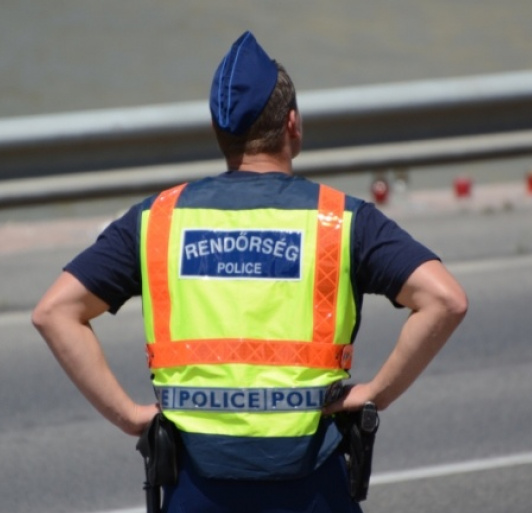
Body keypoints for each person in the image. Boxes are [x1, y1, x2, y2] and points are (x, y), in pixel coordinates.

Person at [32, 31, 467, 513]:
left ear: (218, 130)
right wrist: (375, 394)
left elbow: (55, 311)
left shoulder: (159, 221)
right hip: (311, 485)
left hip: (196, 488)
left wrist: (129, 416)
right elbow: (444, 300)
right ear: (293, 124)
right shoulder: (340, 220)